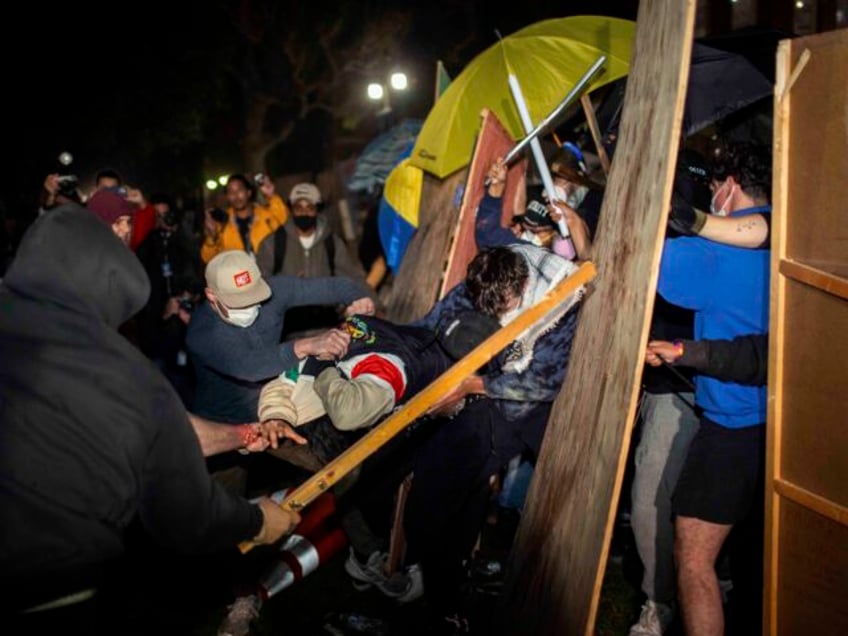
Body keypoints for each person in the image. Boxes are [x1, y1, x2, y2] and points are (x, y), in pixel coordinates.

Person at [0, 204, 300, 631]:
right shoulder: (122, 371)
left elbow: (167, 432)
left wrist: (239, 434)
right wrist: (256, 520)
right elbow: (185, 514)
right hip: (50, 589)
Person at [385, 244, 584, 633]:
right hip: (476, 395)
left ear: (524, 284)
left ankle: (453, 599)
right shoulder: (487, 277)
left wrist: (474, 384)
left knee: (452, 489)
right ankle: (446, 590)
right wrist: (400, 359)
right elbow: (430, 325)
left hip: (518, 407)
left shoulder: (560, 300)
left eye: (503, 304)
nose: (493, 311)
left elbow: (543, 384)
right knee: (436, 496)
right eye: (484, 304)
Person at [657, 140, 771, 636]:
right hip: (785, 428)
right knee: (761, 566)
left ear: (728, 187)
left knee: (695, 560)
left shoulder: (709, 252)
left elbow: (634, 262)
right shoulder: (794, 235)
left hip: (732, 428)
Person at [257, 182, 374, 340]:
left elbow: (354, 278)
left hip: (328, 332)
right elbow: (259, 285)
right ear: (291, 209)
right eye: (299, 208)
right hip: (287, 334)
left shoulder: (332, 243)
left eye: (310, 208)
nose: (304, 213)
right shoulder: (273, 243)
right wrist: (287, 286)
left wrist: (374, 305)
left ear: (317, 209)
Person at [200, 173, 288, 264]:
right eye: (231, 192)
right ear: (227, 197)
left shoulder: (266, 217)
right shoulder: (222, 224)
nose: (236, 195)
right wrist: (212, 237)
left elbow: (282, 218)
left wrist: (271, 196)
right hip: (238, 275)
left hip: (267, 274)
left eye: (240, 190)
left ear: (249, 192)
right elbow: (208, 258)